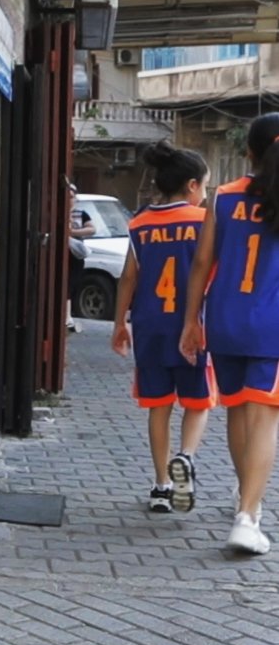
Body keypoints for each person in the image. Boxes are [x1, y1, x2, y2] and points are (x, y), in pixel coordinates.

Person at [181, 113, 279, 555]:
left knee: (238, 412)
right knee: (264, 418)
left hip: (223, 318)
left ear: (249, 153)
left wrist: (190, 321)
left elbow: (201, 264)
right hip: (271, 323)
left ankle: (249, 508)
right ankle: (246, 515)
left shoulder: (220, 198)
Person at [110, 141, 212, 514]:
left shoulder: (139, 224)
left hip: (150, 325)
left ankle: (160, 486)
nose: (205, 194)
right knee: (198, 402)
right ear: (191, 185)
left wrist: (119, 323)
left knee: (158, 405)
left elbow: (127, 278)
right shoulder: (203, 221)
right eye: (205, 186)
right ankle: (185, 457)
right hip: (191, 326)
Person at [67, 182, 95, 332]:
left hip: (75, 254)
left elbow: (92, 229)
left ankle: (67, 316)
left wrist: (73, 233)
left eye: (71, 197)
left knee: (71, 284)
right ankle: (66, 317)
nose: (69, 200)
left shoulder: (81, 213)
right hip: (62, 253)